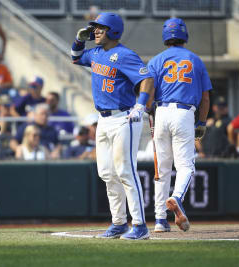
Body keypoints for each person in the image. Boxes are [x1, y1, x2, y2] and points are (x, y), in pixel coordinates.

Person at [71, 12, 154, 240]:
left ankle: (139, 225)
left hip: (124, 118)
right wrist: (79, 40)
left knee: (126, 171)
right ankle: (118, 222)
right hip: (104, 120)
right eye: (95, 27)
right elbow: (76, 58)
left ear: (113, 31)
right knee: (107, 173)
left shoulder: (125, 55)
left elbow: (146, 78)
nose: (95, 31)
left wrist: (140, 105)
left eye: (101, 28)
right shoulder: (96, 52)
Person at [147, 18, 212, 233]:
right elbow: (205, 98)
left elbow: (149, 93)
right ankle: (176, 197)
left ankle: (159, 220)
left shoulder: (156, 60)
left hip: (161, 112)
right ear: (185, 35)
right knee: (185, 166)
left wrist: (149, 110)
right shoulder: (195, 60)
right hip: (184, 113)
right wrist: (201, 123)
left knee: (161, 170)